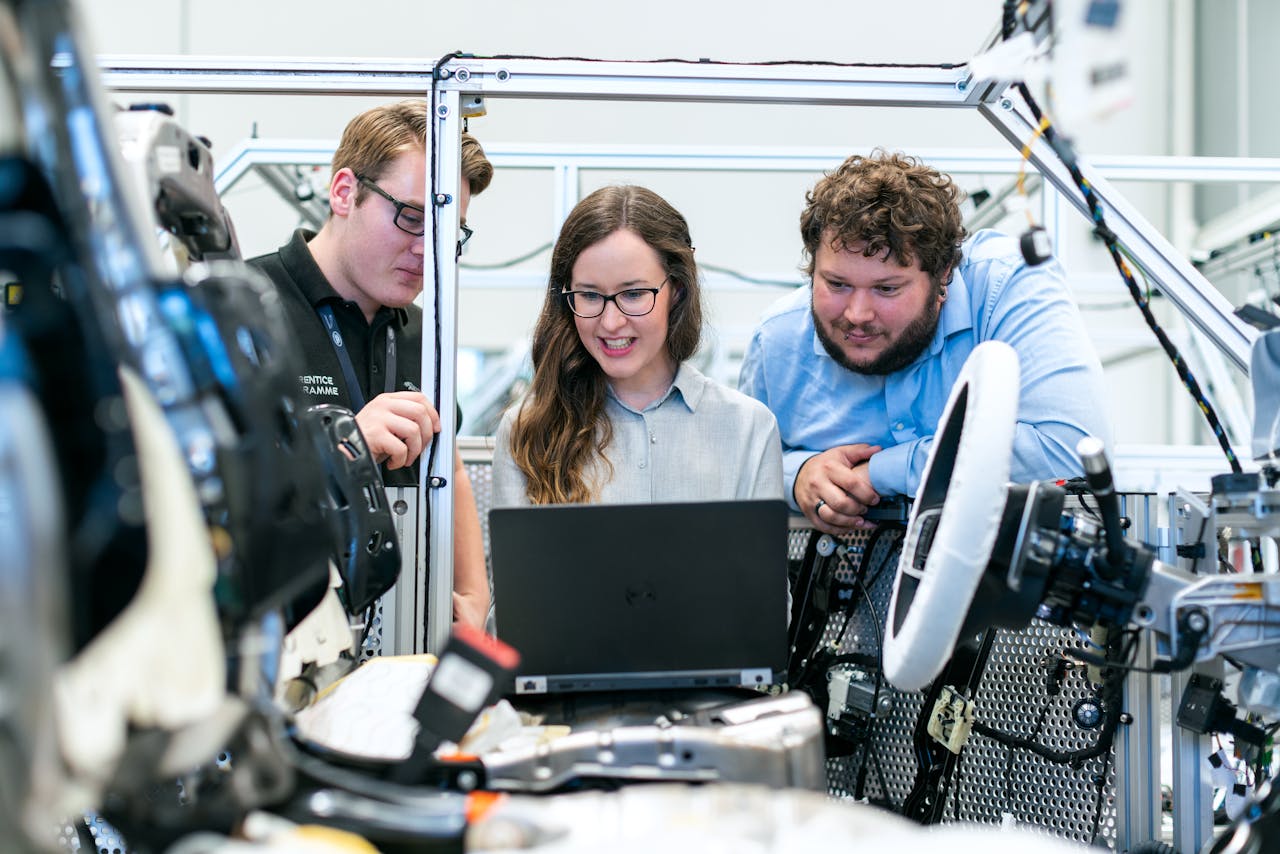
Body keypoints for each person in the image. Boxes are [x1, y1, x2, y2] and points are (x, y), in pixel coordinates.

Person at [739, 149, 1111, 536]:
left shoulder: (1007, 287)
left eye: (887, 288)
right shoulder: (777, 341)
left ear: (943, 274)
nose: (857, 314)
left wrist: (879, 473)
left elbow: (1070, 448)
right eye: (837, 284)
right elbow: (740, 467)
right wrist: (798, 475)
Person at [249, 100, 491, 630]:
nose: (426, 250)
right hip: (282, 627)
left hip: (402, 630)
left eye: (449, 232)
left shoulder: (424, 332)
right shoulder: (244, 309)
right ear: (344, 193)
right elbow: (208, 489)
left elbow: (446, 465)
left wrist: (473, 594)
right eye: (411, 217)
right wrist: (345, 447)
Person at [492, 185, 782, 506]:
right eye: (589, 295)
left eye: (633, 294)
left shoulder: (749, 430)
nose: (611, 322)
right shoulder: (526, 432)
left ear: (678, 290)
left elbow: (757, 558)